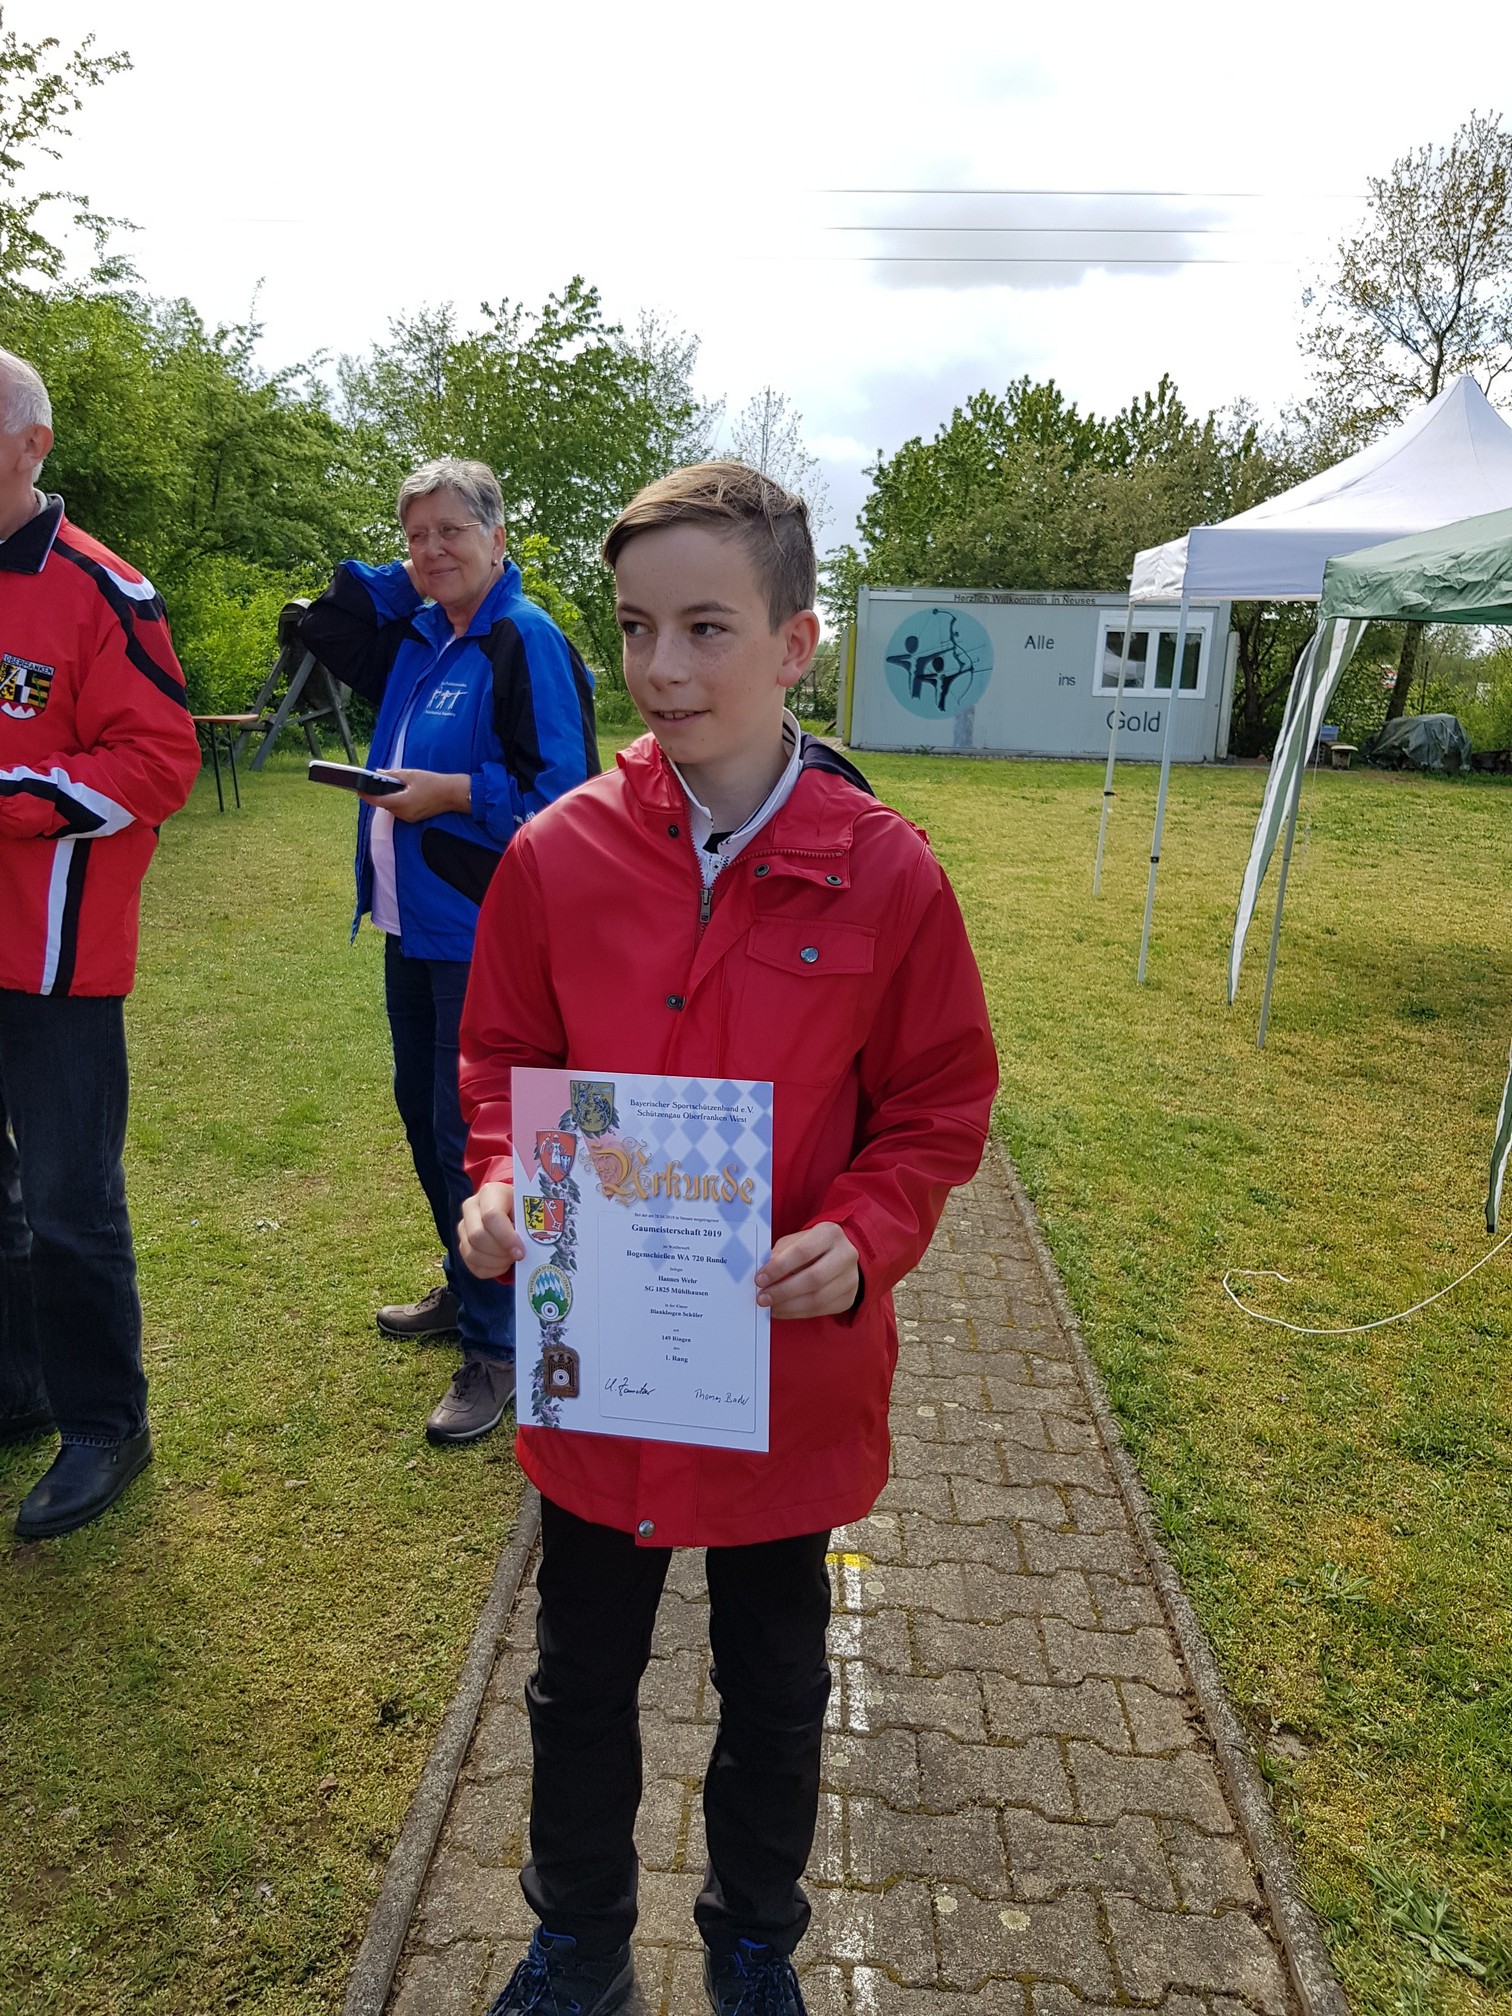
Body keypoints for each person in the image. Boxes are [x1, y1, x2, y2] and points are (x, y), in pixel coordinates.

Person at [456, 462, 999, 2015]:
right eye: (636, 629)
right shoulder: (559, 854)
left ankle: (753, 1947)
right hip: (605, 1381)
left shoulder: (887, 872)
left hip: (781, 1373)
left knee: (774, 1685)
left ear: (795, 642)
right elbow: (504, 1060)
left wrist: (867, 1233)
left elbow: (940, 1100)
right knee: (579, 1682)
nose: (663, 667)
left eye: (707, 627)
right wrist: (501, 1186)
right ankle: (579, 1944)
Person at [299, 459, 597, 1445]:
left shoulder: (523, 638)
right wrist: (415, 576)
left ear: (500, 539)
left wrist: (453, 794)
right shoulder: (423, 636)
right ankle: (468, 1282)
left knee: (467, 1138)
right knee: (425, 1122)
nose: (430, 551)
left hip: (483, 937)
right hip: (411, 927)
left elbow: (564, 800)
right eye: (414, 535)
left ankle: (500, 1344)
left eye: (452, 532)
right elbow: (325, 624)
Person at [0, 347, 202, 1539]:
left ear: (32, 445)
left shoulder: (105, 590)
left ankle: (104, 1425)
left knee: (71, 1203)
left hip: (57, 960)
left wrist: (11, 798)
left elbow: (160, 761)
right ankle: (18, 1386)